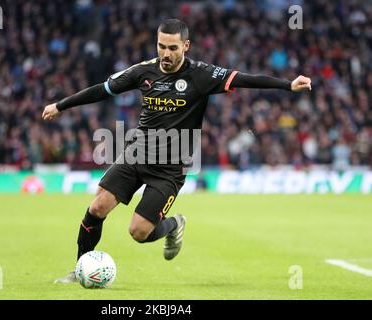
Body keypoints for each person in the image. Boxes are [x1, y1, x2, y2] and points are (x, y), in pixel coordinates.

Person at [42, 19, 312, 283]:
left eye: (172, 48)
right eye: (161, 46)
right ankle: (79, 270)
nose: (165, 54)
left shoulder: (201, 74)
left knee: (138, 232)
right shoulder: (143, 71)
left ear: (186, 46)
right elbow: (103, 90)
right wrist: (61, 105)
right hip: (137, 154)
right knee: (98, 205)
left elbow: (244, 80)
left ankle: (173, 224)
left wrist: (287, 85)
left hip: (170, 168)